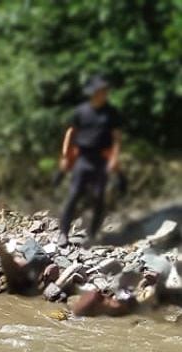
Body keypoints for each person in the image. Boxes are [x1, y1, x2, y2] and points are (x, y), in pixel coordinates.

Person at [58, 75, 122, 245]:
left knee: (99, 197)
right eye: (101, 90)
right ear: (94, 92)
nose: (104, 93)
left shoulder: (111, 112)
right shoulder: (81, 111)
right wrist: (65, 156)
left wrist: (115, 158)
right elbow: (71, 133)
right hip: (83, 158)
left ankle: (93, 234)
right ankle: (63, 233)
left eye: (105, 90)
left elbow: (116, 137)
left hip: (101, 160)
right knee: (73, 195)